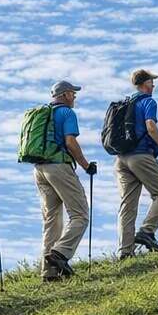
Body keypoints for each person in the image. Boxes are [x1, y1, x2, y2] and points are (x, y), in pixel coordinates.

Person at [32, 81, 97, 282]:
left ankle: (49, 274)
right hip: (59, 166)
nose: (74, 97)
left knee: (51, 220)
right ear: (65, 94)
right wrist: (86, 165)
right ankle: (60, 253)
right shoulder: (67, 113)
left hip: (39, 169)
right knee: (80, 215)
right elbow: (70, 142)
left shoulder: (42, 114)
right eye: (73, 93)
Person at [116, 69, 158, 258]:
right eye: (151, 82)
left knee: (127, 205)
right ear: (143, 84)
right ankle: (147, 231)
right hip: (141, 155)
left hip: (121, 159)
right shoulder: (148, 101)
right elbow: (151, 126)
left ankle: (125, 252)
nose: (153, 85)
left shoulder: (125, 103)